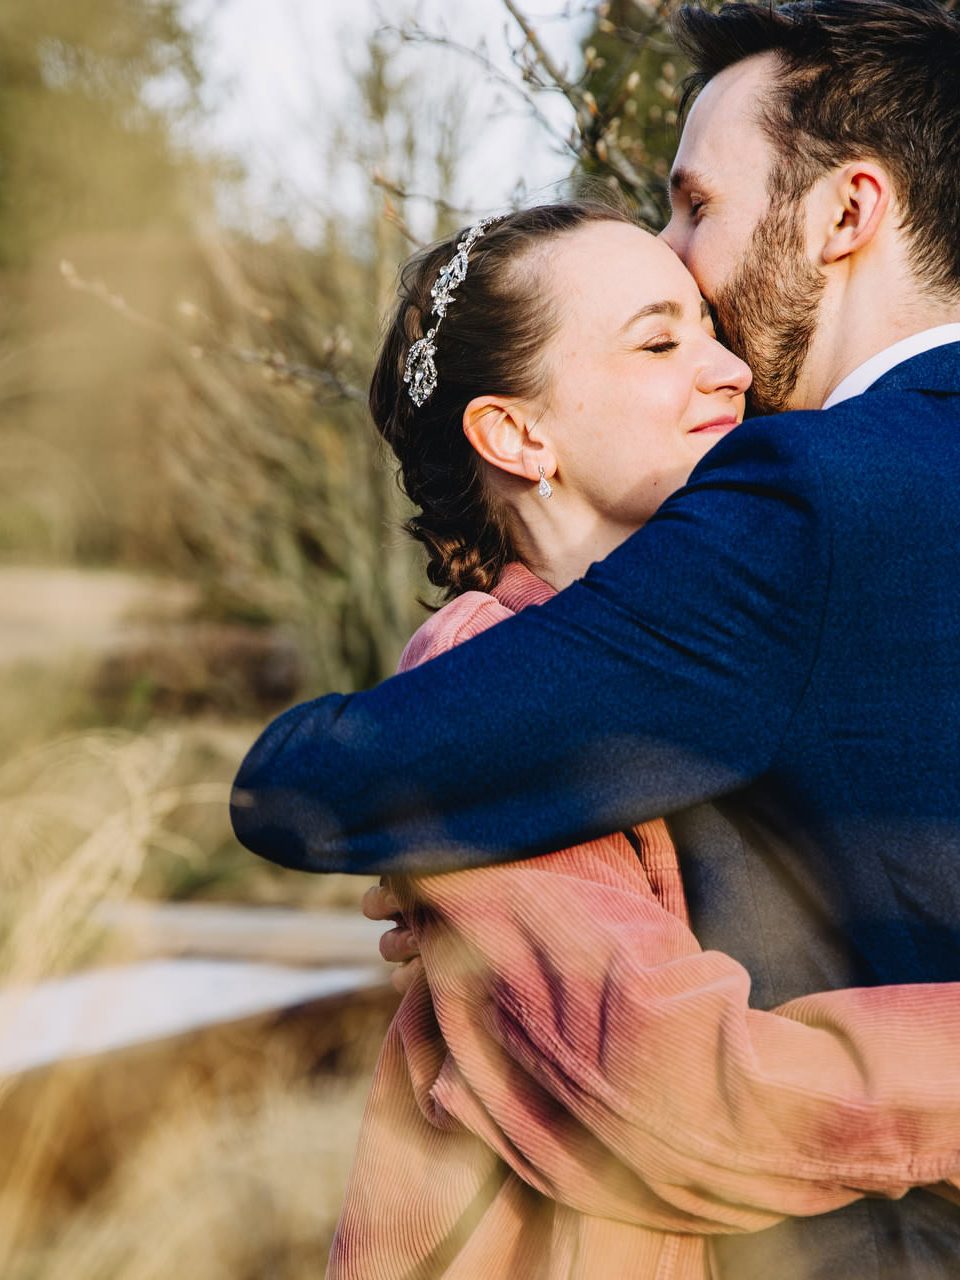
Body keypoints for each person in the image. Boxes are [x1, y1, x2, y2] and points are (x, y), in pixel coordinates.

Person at [232, 2, 960, 1275]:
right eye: (657, 333)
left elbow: (321, 778)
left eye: (694, 206)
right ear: (515, 433)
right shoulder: (530, 647)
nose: (708, 309)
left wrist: (419, 809)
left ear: (847, 214)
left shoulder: (811, 499)